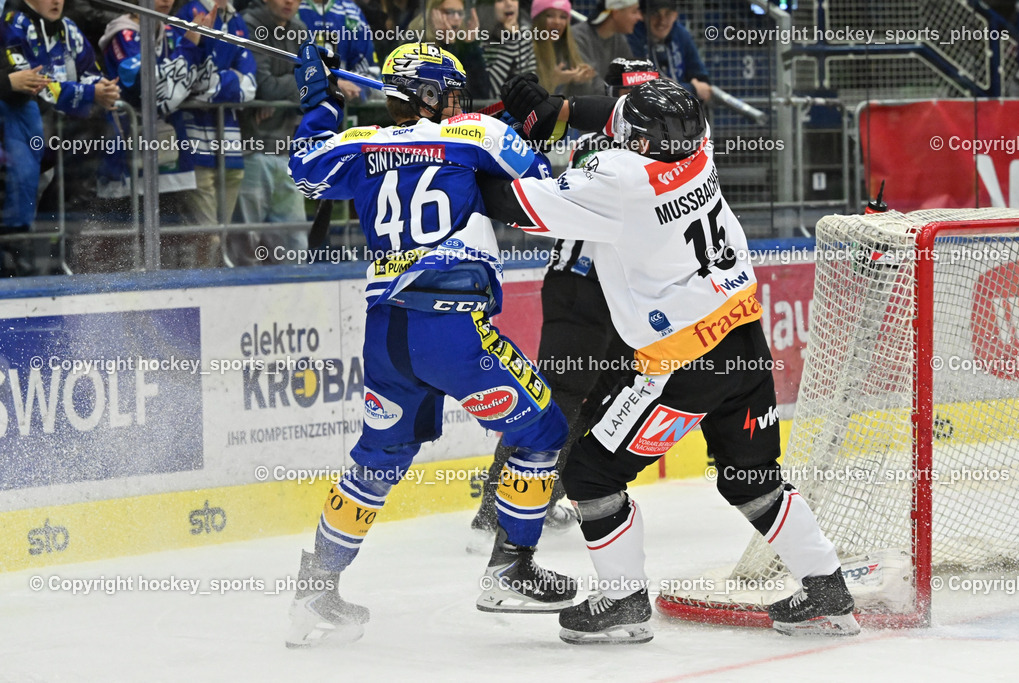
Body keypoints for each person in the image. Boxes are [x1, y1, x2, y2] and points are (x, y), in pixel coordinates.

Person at [481, 74, 860, 643]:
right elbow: (623, 117)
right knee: (752, 479)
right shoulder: (700, 147)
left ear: (637, 139)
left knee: (589, 472)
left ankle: (623, 602)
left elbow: (511, 203)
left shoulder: (618, 178)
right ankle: (827, 591)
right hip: (743, 340)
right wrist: (562, 108)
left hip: (679, 361)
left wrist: (451, 156)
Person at [284, 41, 576, 647]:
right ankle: (511, 569)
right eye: (451, 93)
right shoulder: (475, 134)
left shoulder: (360, 143)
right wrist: (521, 128)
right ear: (430, 94)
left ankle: (315, 590)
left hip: (386, 333)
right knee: (543, 431)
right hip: (453, 329)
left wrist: (318, 99)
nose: (458, 103)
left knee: (377, 460)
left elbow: (305, 170)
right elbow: (544, 188)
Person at [466, 57, 658, 553]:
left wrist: (546, 112)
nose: (641, 105)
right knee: (558, 399)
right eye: (631, 95)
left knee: (599, 399)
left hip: (619, 293)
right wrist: (537, 114)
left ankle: (544, 494)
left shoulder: (654, 143)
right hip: (580, 286)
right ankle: (496, 509)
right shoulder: (606, 146)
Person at [85, 0, 210, 273]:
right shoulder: (123, 34)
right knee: (124, 232)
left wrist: (195, 46)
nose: (165, 1)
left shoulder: (171, 31)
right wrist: (188, 48)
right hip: (128, 147)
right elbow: (149, 86)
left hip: (168, 149)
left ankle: (168, 288)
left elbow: (202, 81)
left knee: (169, 234)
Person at [0, 0, 120, 275]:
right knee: (21, 191)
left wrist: (102, 89)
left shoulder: (68, 28)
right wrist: (90, 94)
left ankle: (56, 251)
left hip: (61, 132)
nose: (57, 1)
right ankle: (16, 259)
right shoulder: (13, 24)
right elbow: (33, 83)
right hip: (26, 129)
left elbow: (91, 73)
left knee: (91, 149)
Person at [172, 0, 257, 269]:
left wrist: (217, 84)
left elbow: (251, 85)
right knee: (208, 238)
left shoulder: (237, 19)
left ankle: (211, 284)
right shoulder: (190, 13)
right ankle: (200, 285)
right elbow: (191, 81)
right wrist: (230, 80)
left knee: (220, 237)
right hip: (195, 143)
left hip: (231, 147)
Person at [230, 0, 309, 266]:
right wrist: (294, 89)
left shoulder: (300, 29)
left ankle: (297, 293)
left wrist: (281, 96)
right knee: (245, 248)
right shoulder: (248, 24)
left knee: (294, 248)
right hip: (251, 148)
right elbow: (263, 87)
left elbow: (315, 83)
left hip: (287, 149)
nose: (289, 2)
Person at [627, 0, 710, 101]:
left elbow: (703, 82)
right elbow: (641, 86)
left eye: (668, 13)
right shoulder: (632, 35)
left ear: (675, 15)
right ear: (643, 15)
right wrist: (691, 89)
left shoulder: (680, 33)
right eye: (655, 13)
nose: (662, 21)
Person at [299, 0, 380, 102]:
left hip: (343, 103)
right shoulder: (292, 9)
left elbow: (368, 67)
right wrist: (330, 84)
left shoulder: (352, 13)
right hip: (298, 102)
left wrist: (355, 88)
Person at [407, 0, 489, 99]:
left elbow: (482, 94)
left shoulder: (461, 45)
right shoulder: (415, 44)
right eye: (449, 12)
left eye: (460, 13)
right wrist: (447, 46)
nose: (456, 18)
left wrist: (471, 46)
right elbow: (440, 91)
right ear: (432, 13)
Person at [570, 0, 641, 96]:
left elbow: (631, 74)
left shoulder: (619, 39)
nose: (639, 17)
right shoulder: (577, 37)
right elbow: (590, 82)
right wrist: (618, 92)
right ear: (616, 13)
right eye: (634, 12)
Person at [529, 0, 593, 95]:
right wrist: (554, 81)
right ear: (538, 18)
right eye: (550, 15)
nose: (557, 22)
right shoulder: (526, 49)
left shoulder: (568, 48)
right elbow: (525, 98)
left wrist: (580, 80)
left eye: (563, 17)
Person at [481, 0, 536, 98]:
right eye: (500, 0)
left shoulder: (525, 35)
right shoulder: (482, 40)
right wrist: (510, 40)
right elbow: (489, 92)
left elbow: (532, 85)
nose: (509, 3)